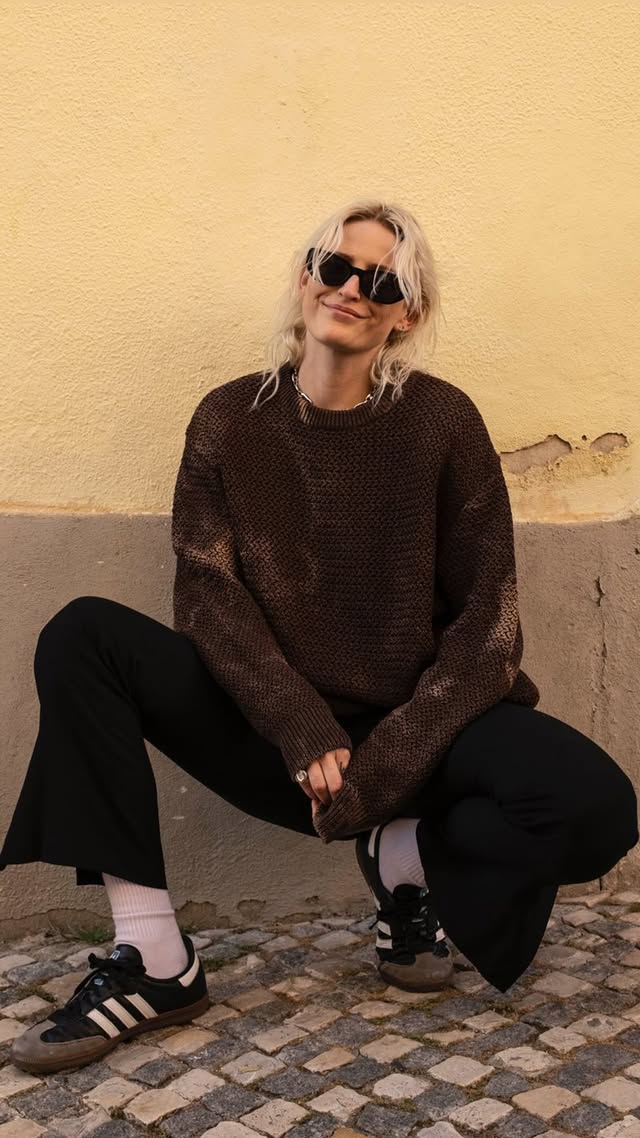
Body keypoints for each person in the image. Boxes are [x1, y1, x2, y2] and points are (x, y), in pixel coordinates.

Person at [1, 198, 637, 1077]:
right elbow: (208, 596)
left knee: (599, 807)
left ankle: (401, 862)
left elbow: (489, 628)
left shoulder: (443, 422)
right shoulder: (229, 419)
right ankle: (153, 956)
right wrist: (301, 729)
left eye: (383, 282)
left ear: (407, 312)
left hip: (417, 732)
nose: (352, 289)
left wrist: (383, 771)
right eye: (334, 267)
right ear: (306, 278)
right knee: (84, 636)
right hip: (283, 741)